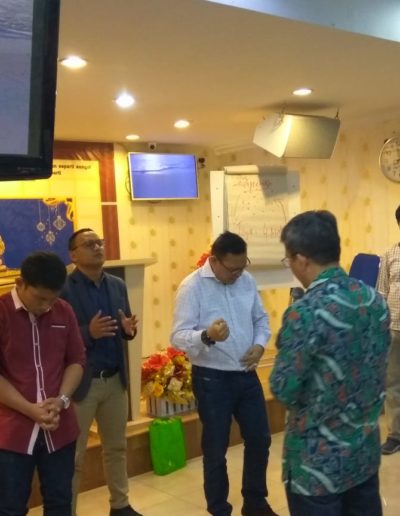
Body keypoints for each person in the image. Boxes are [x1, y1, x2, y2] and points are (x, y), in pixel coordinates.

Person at [270, 210, 390, 516]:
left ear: (301, 259)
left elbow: (283, 388)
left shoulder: (305, 311)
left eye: (288, 260)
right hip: (363, 455)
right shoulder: (374, 301)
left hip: (317, 466)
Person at [171, 231, 277, 516]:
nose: (238, 274)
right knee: (216, 450)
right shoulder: (192, 287)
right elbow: (178, 337)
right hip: (212, 379)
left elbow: (261, 319)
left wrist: (259, 345)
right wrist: (207, 335)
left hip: (247, 375)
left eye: (243, 266)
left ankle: (255, 503)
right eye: (233, 269)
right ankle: (219, 509)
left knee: (260, 440)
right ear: (214, 260)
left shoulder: (247, 280)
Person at [59, 228, 141, 516]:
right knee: (74, 456)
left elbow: (124, 326)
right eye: (89, 244)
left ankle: (120, 505)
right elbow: (56, 337)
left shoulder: (117, 285)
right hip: (82, 385)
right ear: (73, 255)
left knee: (116, 448)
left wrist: (128, 331)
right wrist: (88, 333)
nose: (97, 247)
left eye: (100, 242)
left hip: (115, 380)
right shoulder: (64, 289)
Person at [0, 251, 85, 516]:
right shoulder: (2, 312)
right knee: (10, 507)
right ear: (20, 284)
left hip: (59, 427)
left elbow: (76, 360)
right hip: (11, 431)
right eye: (40, 298)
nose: (46, 306)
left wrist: (62, 400)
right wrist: (30, 409)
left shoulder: (64, 311)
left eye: (53, 298)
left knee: (60, 503)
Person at [376, 204, 400, 455]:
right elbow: (381, 292)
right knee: (392, 383)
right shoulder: (390, 254)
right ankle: (396, 434)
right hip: (394, 327)